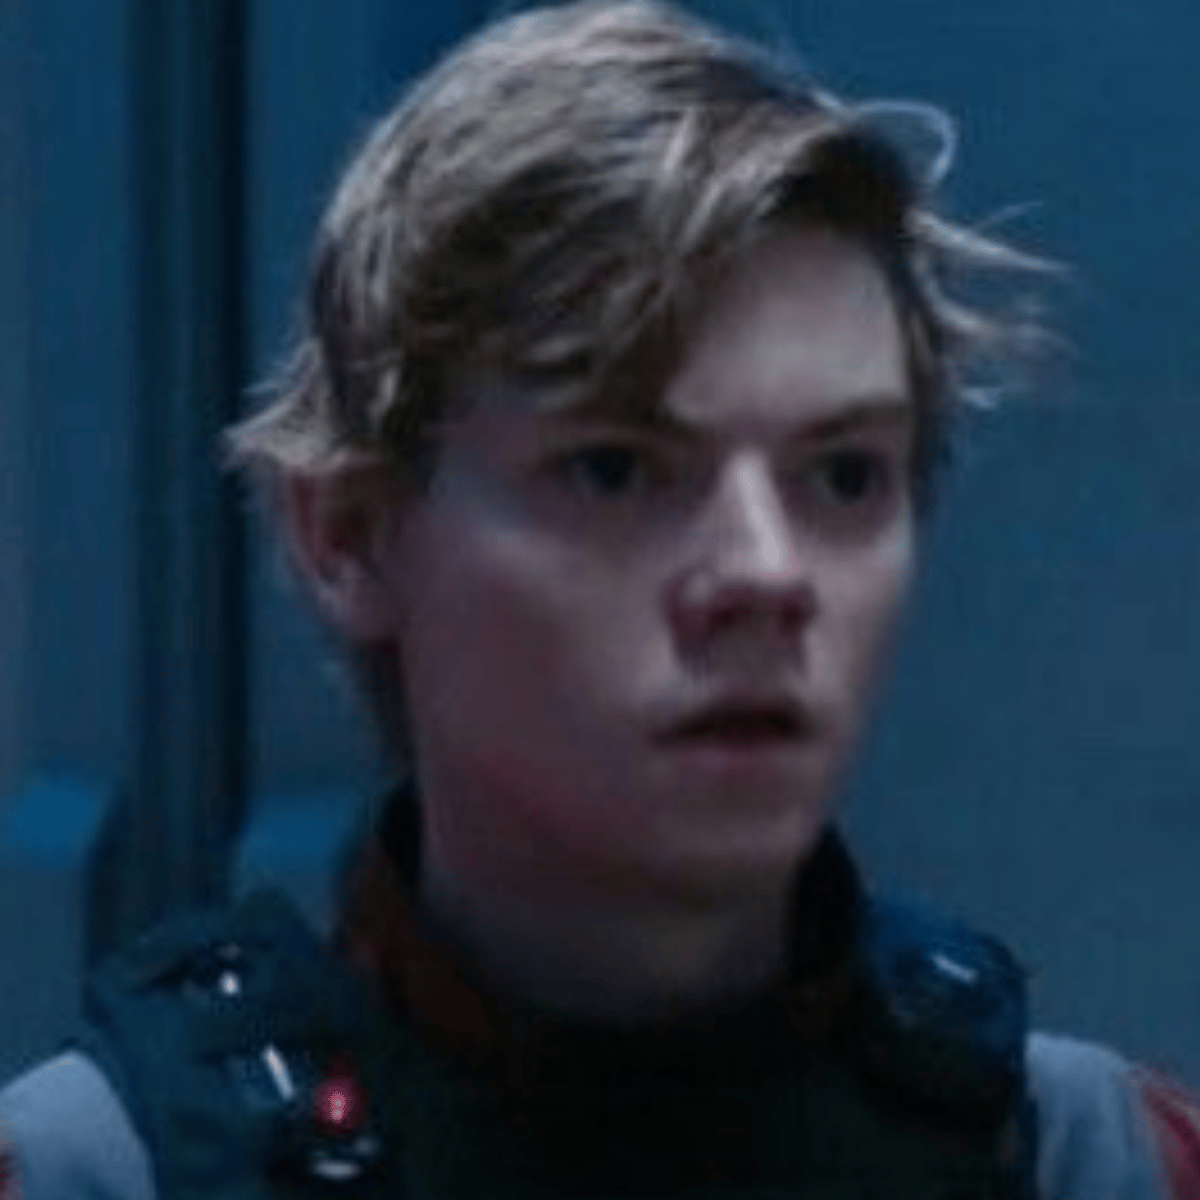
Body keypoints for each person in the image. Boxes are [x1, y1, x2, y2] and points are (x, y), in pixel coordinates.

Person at [2, 2, 1199, 1197]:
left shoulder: (1098, 1162)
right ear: (351, 537)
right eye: (616, 469)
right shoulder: (94, 1173)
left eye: (843, 475)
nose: (766, 573)